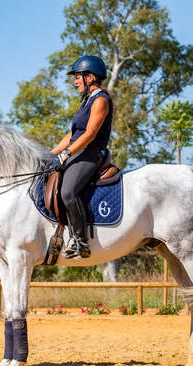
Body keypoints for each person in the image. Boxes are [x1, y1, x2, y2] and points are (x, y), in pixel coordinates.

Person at [51, 55, 114, 258]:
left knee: (68, 191)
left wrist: (67, 153)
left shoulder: (101, 100)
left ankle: (80, 240)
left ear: (91, 77)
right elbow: (72, 135)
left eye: (78, 76)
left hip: (91, 153)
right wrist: (51, 154)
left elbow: (89, 135)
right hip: (79, 151)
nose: (75, 81)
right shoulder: (87, 100)